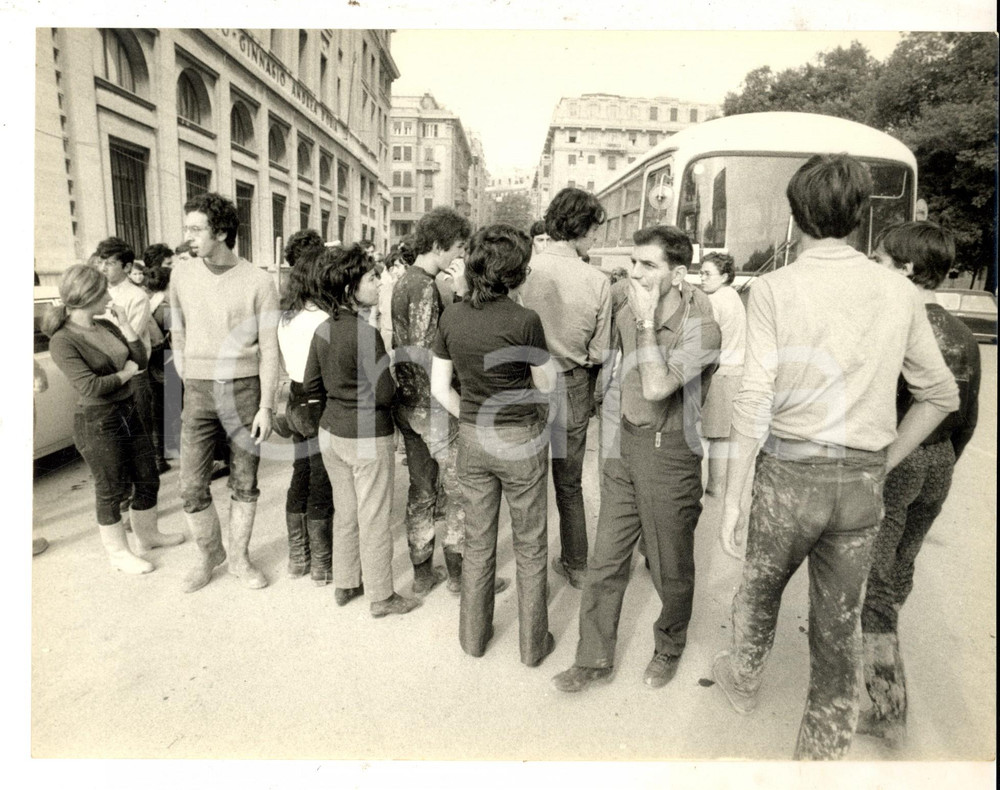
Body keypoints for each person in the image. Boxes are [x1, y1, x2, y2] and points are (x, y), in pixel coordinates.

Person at [711, 155, 959, 760]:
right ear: (858, 217)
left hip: (789, 476)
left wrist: (734, 497)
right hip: (861, 483)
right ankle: (818, 762)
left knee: (760, 591)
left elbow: (755, 395)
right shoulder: (899, 291)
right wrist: (884, 459)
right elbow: (940, 394)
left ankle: (743, 681)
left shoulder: (771, 289)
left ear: (795, 216)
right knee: (838, 627)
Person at [552, 225, 720, 693]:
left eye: (648, 265)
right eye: (633, 262)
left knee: (671, 568)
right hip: (625, 447)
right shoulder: (626, 308)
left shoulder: (701, 327)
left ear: (678, 273)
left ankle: (669, 645)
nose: (635, 273)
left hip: (671, 456)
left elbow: (656, 387)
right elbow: (613, 368)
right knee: (606, 562)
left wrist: (646, 324)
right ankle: (592, 659)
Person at [859, 222, 981, 747]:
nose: (874, 267)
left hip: (898, 462)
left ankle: (888, 708)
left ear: (905, 269)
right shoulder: (962, 333)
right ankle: (887, 650)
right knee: (898, 570)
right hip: (940, 466)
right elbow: (968, 417)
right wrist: (942, 463)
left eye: (881, 260)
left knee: (876, 587)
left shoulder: (898, 325)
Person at [431, 224, 559, 666]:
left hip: (472, 439)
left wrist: (471, 414)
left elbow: (439, 387)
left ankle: (473, 639)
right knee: (530, 543)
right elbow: (544, 385)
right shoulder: (525, 321)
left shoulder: (451, 316)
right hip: (519, 439)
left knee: (478, 541)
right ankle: (532, 646)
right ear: (518, 274)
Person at [170, 192, 280, 593]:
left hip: (244, 391)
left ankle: (239, 558)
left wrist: (266, 406)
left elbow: (270, 348)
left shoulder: (259, 281)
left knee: (244, 480)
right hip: (197, 389)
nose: (188, 237)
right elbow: (176, 330)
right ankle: (208, 553)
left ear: (221, 232)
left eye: (196, 229)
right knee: (190, 484)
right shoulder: (180, 274)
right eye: (187, 229)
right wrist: (186, 374)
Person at [43, 265, 184, 573]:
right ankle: (118, 553)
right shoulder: (63, 340)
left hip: (128, 409)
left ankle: (147, 536)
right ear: (89, 295)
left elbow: (141, 359)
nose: (109, 294)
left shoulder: (106, 325)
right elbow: (90, 385)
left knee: (148, 476)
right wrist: (125, 374)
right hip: (98, 420)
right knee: (111, 488)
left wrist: (126, 326)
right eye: (103, 289)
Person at [303, 245, 419, 617]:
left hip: (331, 433)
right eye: (370, 278)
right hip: (367, 435)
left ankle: (345, 582)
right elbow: (384, 393)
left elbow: (310, 385)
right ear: (350, 287)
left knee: (347, 511)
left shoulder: (322, 330)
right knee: (374, 516)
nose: (377, 283)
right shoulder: (367, 334)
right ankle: (382, 596)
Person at [393, 207, 490, 596]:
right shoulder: (425, 287)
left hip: (407, 404)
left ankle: (421, 572)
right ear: (436, 245)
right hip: (432, 407)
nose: (459, 257)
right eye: (457, 248)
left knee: (420, 490)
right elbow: (424, 353)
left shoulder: (403, 282)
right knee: (457, 490)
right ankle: (458, 575)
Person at [519, 187, 611, 590]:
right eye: (594, 230)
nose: (596, 238)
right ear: (583, 228)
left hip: (524, 384)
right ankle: (576, 564)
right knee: (569, 483)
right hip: (572, 383)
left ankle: (531, 567)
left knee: (527, 481)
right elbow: (600, 352)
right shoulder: (597, 280)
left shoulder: (523, 270)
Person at [277, 246, 336, 586]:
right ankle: (322, 565)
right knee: (320, 481)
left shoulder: (288, 317)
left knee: (300, 474)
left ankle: (298, 558)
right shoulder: (324, 321)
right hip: (321, 401)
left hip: (296, 400)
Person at [94, 237, 155, 520]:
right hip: (107, 378)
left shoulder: (136, 296)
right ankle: (123, 499)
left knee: (137, 441)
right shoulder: (97, 292)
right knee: (115, 443)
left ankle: (138, 506)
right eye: (101, 261)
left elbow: (127, 339)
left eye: (110, 262)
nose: (103, 267)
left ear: (127, 266)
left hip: (133, 375)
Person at [698, 252, 747, 496]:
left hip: (719, 374)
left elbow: (704, 342)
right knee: (725, 435)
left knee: (716, 436)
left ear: (725, 276)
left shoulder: (715, 301)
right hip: (736, 373)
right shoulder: (734, 297)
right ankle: (721, 487)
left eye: (708, 274)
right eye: (701, 272)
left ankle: (715, 488)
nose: (702, 278)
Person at [142, 265, 173, 473]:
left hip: (150, 361)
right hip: (168, 360)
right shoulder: (166, 308)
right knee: (173, 409)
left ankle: (158, 458)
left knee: (157, 412)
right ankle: (166, 454)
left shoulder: (148, 303)